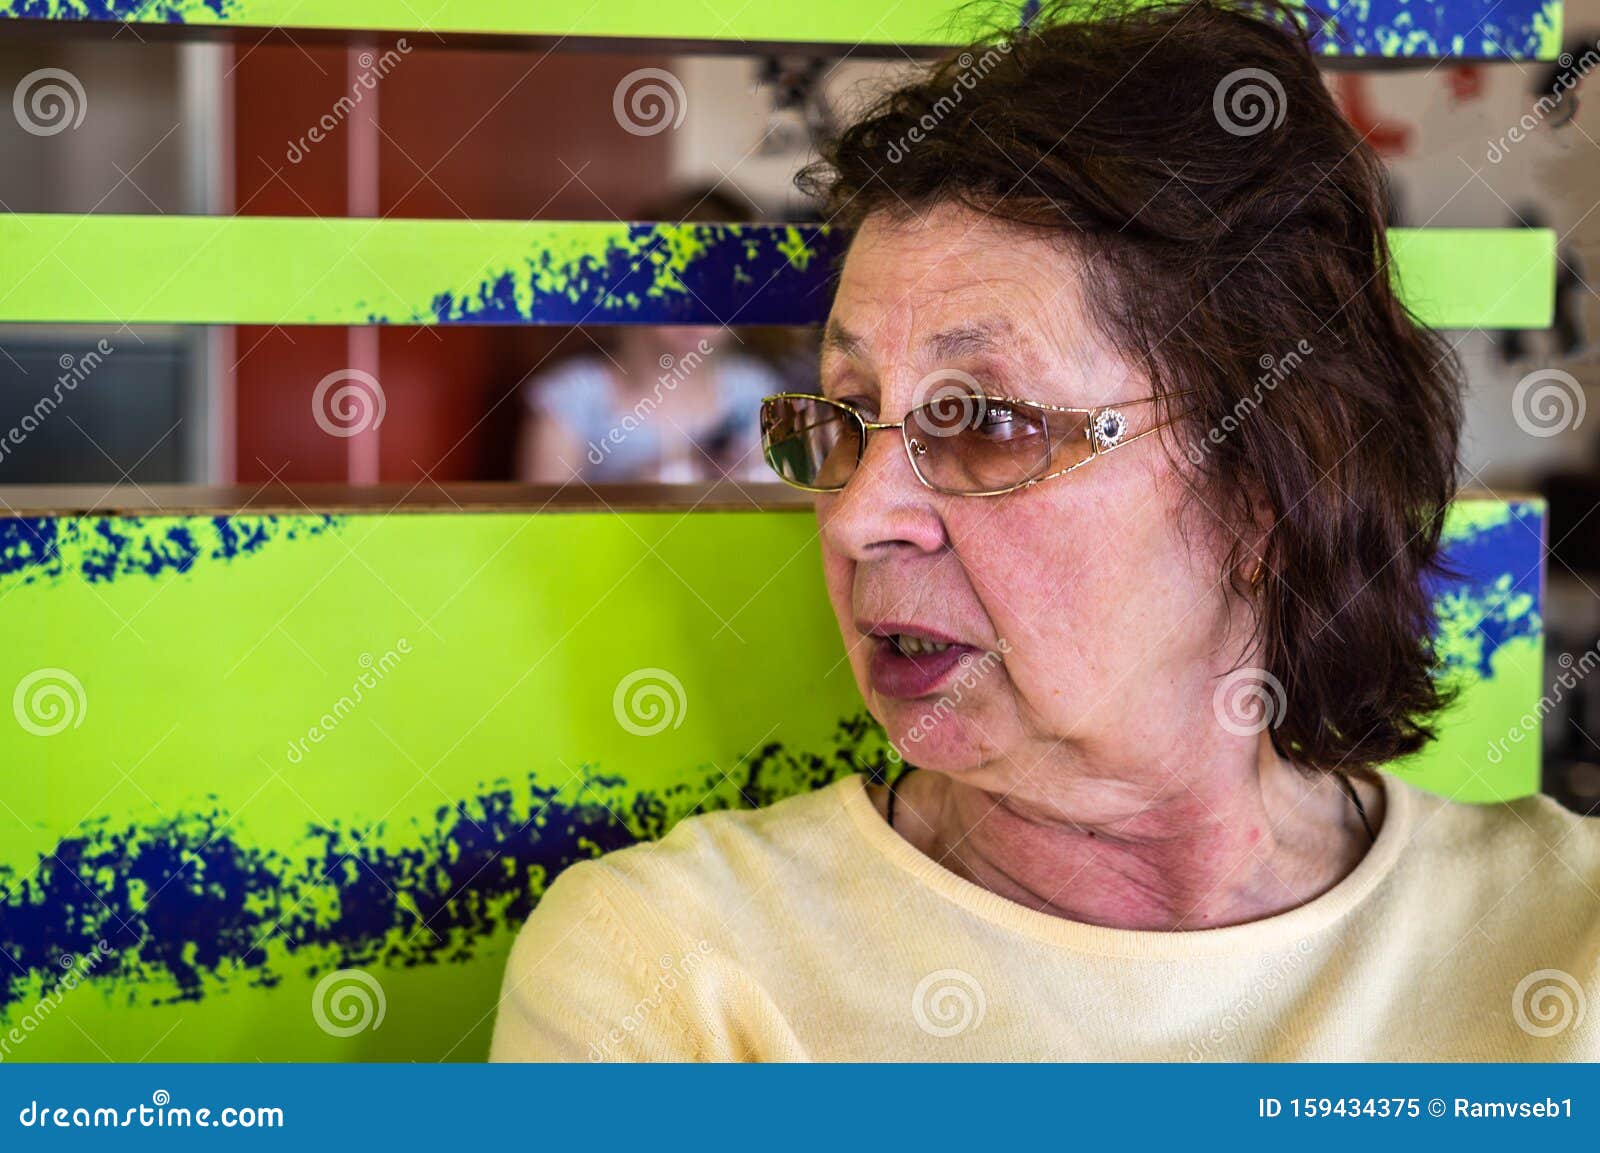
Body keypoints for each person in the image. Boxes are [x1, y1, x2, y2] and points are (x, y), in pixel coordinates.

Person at [490, 0, 1600, 1060]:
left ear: (1269, 482)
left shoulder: (1563, 948)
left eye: (985, 421)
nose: (858, 520)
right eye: (839, 419)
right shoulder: (671, 978)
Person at [516, 188, 785, 485]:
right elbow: (545, 520)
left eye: (723, 294)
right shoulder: (573, 398)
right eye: (677, 288)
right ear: (636, 287)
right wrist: (638, 494)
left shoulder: (753, 392)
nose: (699, 312)